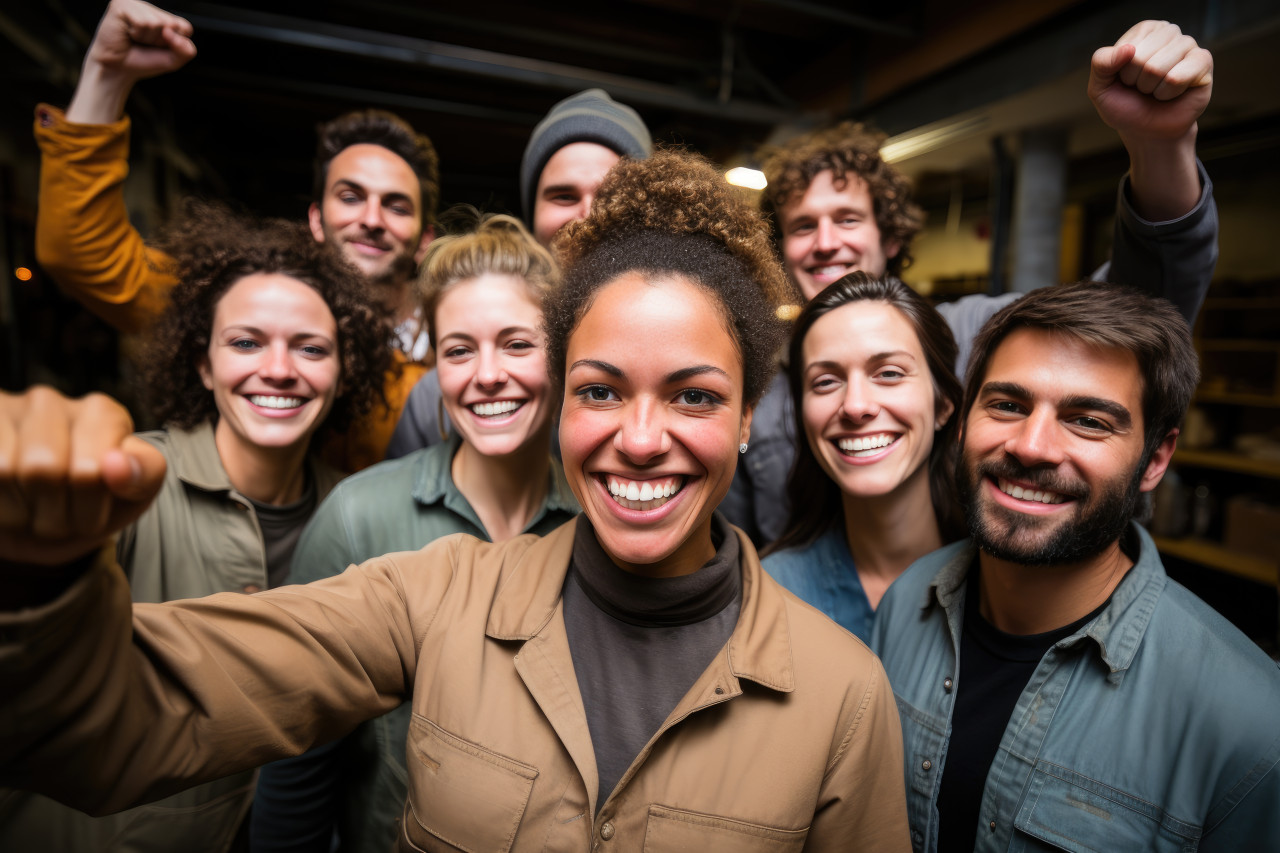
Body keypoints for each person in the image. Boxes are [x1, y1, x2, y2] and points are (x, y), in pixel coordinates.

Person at [0, 150, 911, 852]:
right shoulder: (434, 598)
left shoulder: (842, 695)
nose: (639, 436)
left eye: (694, 395)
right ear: (559, 398)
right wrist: (40, 576)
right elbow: (131, 716)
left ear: (749, 415)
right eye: (599, 390)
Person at [722, 20, 1219, 547]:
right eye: (803, 226)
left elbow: (1136, 309)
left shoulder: (977, 333)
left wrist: (1159, 147)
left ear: (889, 237)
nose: (825, 242)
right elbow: (738, 550)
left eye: (847, 219)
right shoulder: (757, 386)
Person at [0, 205, 389, 852]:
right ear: (202, 363)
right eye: (245, 342)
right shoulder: (128, 485)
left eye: (311, 347)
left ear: (343, 372)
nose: (279, 368)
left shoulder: (357, 510)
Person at [870, 280, 1280, 851]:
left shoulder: (1255, 724)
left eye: (1088, 420)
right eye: (1008, 405)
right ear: (963, 421)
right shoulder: (909, 598)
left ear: (1154, 459)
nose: (1032, 446)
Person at [250, 210, 580, 853]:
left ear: (563, 354)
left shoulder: (601, 523)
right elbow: (297, 759)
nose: (487, 374)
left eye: (518, 343)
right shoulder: (359, 517)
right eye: (459, 349)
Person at [34, 0, 439, 472]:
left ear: (425, 239)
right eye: (350, 197)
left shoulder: (460, 342)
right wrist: (106, 75)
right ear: (315, 219)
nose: (371, 218)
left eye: (396, 205)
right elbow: (81, 251)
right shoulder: (240, 302)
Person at [387, 87, 653, 458]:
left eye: (612, 198)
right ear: (533, 216)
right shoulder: (437, 400)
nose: (588, 215)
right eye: (563, 196)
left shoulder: (685, 367)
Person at [762, 274, 963, 643]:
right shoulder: (770, 596)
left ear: (943, 405)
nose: (855, 406)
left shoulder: (1003, 583)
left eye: (889, 373)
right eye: (825, 381)